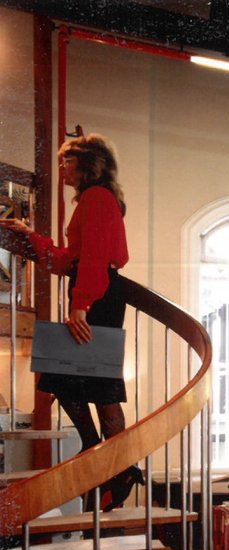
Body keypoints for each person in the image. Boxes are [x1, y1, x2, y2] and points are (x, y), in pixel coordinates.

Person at [0, 133, 141, 509]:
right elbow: (70, 261)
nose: (62, 167)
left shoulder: (97, 198)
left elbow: (94, 259)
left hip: (96, 295)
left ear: (87, 164)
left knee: (92, 386)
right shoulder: (97, 200)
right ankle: (107, 461)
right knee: (79, 384)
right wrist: (34, 239)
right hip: (93, 290)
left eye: (67, 160)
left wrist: (80, 304)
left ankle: (114, 464)